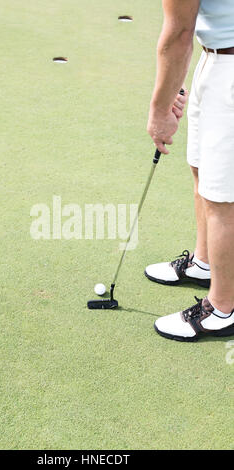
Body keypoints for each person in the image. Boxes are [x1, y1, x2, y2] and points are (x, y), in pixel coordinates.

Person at [146, 0, 234, 341]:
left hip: (228, 67)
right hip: (215, 58)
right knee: (201, 167)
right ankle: (204, 263)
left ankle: (223, 307)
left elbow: (179, 33)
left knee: (223, 197)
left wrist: (158, 111)